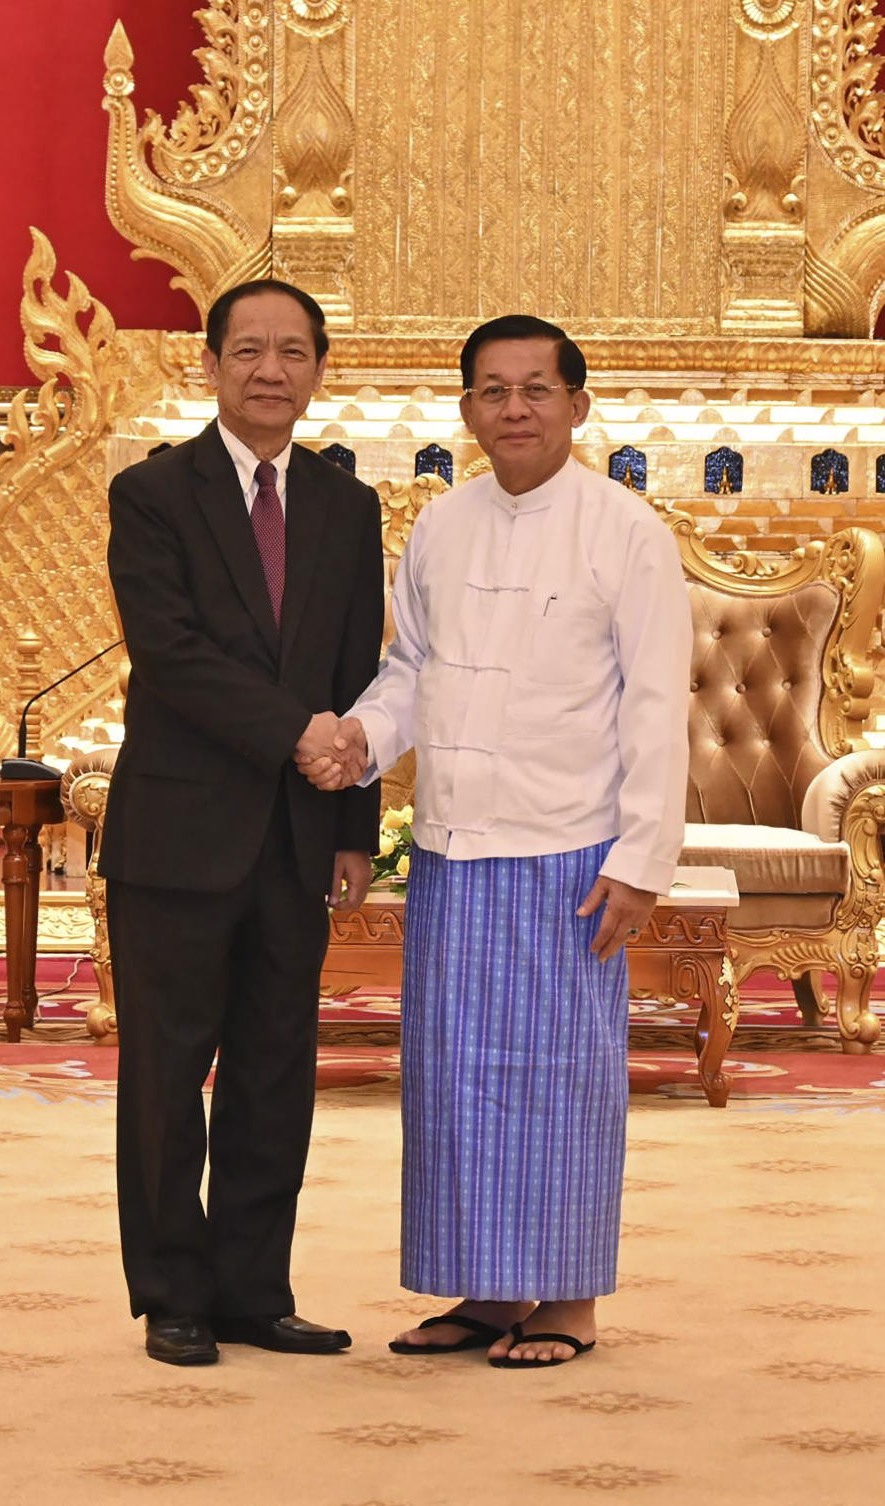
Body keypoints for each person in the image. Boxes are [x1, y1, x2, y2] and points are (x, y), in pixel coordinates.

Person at [297, 314, 692, 1368]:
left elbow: (657, 710)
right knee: (459, 1076)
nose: (513, 409)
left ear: (578, 404)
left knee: (560, 1076)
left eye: (535, 389)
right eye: (492, 391)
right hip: (452, 845)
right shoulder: (440, 526)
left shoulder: (627, 533)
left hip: (571, 851)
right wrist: (361, 738)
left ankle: (566, 1301)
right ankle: (487, 1292)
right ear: (466, 407)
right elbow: (411, 672)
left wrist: (641, 863)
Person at [100, 279, 385, 1365]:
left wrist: (354, 820)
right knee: (169, 1076)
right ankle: (172, 1290)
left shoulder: (346, 505)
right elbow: (171, 656)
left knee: (277, 1071)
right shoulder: (153, 492)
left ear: (319, 369)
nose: (271, 370)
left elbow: (357, 667)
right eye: (250, 350)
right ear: (210, 365)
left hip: (300, 836)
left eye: (293, 351)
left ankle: (253, 1291)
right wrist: (296, 735)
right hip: (177, 837)